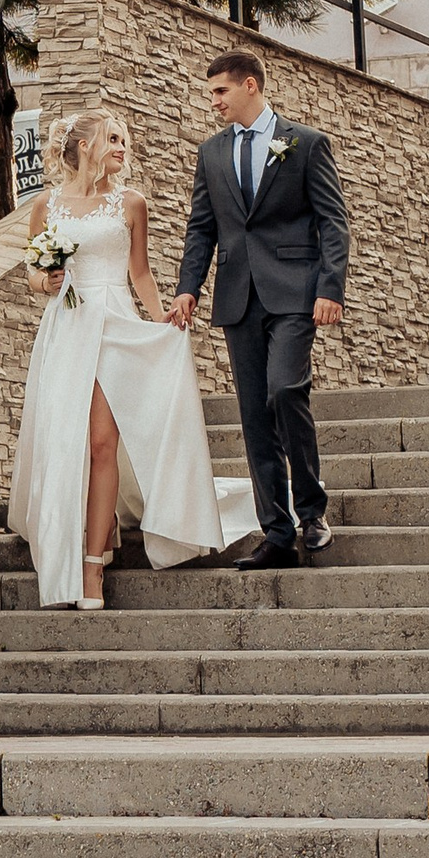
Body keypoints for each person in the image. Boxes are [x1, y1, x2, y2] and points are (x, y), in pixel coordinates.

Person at [8, 106, 259, 609]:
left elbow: (139, 272)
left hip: (117, 326)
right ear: (84, 147)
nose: (124, 148)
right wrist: (46, 280)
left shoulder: (131, 203)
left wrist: (163, 317)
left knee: (103, 445)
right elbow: (33, 271)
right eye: (114, 139)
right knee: (69, 445)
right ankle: (66, 547)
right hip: (67, 329)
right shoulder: (45, 207)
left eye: (125, 139)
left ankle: (92, 567)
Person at [169, 43, 350, 570]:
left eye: (220, 91)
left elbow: (333, 222)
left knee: (284, 390)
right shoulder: (211, 152)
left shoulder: (307, 143)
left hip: (296, 291)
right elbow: (202, 226)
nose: (214, 102)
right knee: (253, 414)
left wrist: (329, 288)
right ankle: (276, 532)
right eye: (211, 93)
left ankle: (312, 512)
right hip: (237, 295)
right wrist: (189, 286)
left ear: (251, 85)